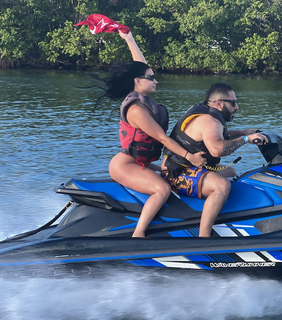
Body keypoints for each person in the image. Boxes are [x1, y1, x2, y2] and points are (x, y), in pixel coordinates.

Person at [99, 31, 206, 237]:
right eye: (151, 78)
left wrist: (130, 39)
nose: (155, 81)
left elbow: (140, 65)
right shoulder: (137, 110)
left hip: (142, 163)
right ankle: (138, 234)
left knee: (172, 178)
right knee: (162, 189)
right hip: (125, 165)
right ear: (137, 81)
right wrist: (190, 157)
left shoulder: (142, 97)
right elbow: (162, 139)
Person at [162, 83, 268, 237]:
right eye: (233, 103)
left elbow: (219, 134)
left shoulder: (210, 117)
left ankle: (225, 218)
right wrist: (246, 139)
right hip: (176, 173)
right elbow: (217, 150)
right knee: (222, 185)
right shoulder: (209, 120)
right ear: (219, 103)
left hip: (189, 168)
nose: (237, 107)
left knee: (231, 172)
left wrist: (246, 132)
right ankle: (204, 237)